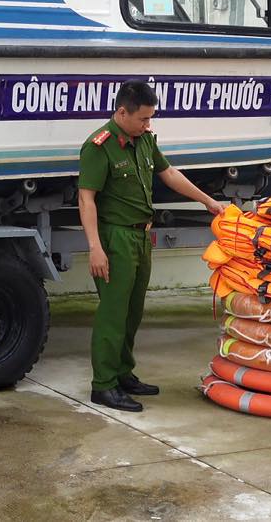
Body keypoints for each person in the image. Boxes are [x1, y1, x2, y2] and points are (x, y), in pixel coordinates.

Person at [78, 80, 223, 412]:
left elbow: (168, 173)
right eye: (143, 118)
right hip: (115, 238)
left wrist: (207, 201)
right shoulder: (99, 147)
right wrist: (95, 247)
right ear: (121, 112)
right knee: (112, 314)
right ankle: (103, 385)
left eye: (150, 118)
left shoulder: (143, 141)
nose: (149, 125)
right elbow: (86, 199)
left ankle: (122, 373)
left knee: (132, 312)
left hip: (142, 236)